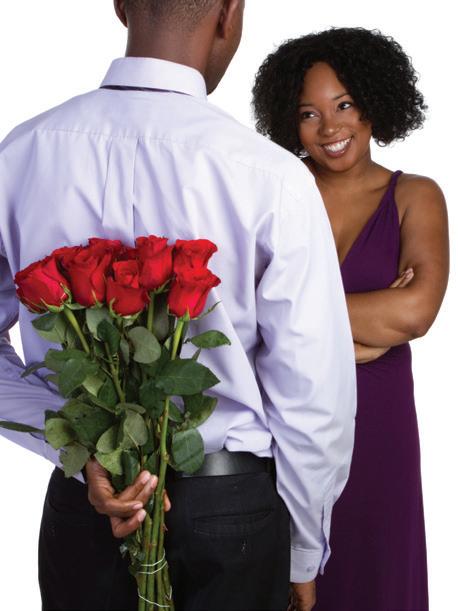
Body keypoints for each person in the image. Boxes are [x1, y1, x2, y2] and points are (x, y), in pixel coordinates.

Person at [0, 3, 357, 610]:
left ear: (121, 6)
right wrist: (302, 551)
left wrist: (78, 450)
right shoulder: (270, 176)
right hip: (230, 514)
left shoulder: (22, 152)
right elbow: (313, 395)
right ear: (229, 13)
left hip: (87, 503)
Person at [253, 27, 449, 611]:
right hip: (282, 418)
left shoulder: (416, 196)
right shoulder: (276, 192)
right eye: (308, 113)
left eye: (344, 105)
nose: (329, 128)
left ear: (374, 103)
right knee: (282, 578)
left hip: (379, 427)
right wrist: (364, 333)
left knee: (377, 574)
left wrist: (292, 323)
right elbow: (241, 316)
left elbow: (415, 312)